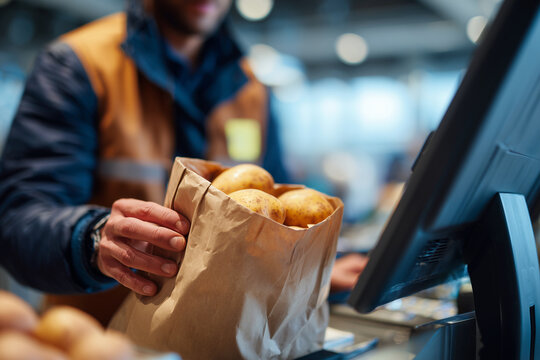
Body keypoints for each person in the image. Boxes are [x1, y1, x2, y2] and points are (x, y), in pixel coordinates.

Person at [0, 0, 366, 325]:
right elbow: (18, 221)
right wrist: (93, 239)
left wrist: (306, 270)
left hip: (227, 338)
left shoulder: (252, 88)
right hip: (105, 340)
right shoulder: (79, 65)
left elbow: (279, 218)